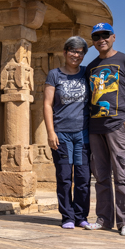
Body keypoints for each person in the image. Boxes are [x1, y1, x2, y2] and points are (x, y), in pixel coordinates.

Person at [86, 23, 125, 236]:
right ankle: (103, 220)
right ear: (93, 42)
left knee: (122, 174)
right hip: (95, 128)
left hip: (118, 125)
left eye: (105, 35)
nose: (101, 39)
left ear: (113, 37)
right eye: (96, 37)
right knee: (101, 176)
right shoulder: (91, 67)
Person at [43, 36, 100, 229]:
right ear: (65, 52)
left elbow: (103, 90)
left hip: (82, 134)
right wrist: (51, 132)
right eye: (73, 51)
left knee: (83, 177)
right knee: (65, 177)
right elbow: (47, 104)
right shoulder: (55, 75)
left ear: (84, 55)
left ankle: (81, 216)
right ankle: (67, 217)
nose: (76, 55)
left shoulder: (86, 73)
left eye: (80, 52)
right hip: (62, 134)